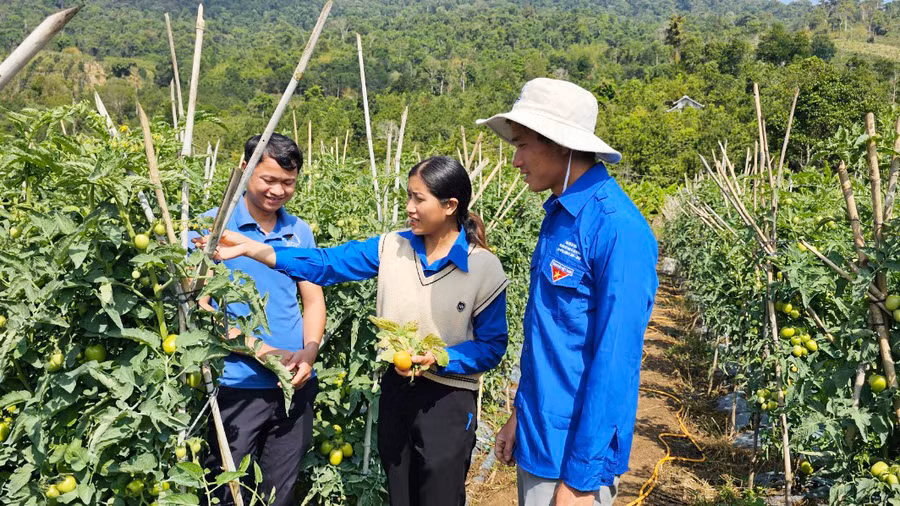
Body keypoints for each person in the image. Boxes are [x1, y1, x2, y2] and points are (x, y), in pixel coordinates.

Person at [194, 155, 509, 506]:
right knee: (400, 494)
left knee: (440, 496)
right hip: (398, 389)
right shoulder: (392, 248)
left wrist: (442, 356)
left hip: (449, 399)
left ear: (450, 205)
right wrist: (255, 249)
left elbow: (492, 346)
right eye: (408, 196)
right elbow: (326, 264)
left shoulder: (483, 268)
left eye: (419, 199)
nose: (409, 207)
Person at [476, 78, 658, 506]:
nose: (515, 160)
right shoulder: (558, 216)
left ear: (561, 144)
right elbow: (548, 337)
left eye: (522, 145)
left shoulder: (618, 229)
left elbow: (616, 362)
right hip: (538, 437)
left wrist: (579, 479)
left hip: (571, 454)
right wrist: (519, 413)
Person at [197, 133, 326, 506]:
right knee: (225, 491)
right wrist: (262, 350)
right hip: (237, 387)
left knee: (279, 493)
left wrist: (309, 354)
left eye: (288, 183)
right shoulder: (213, 229)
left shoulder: (298, 232)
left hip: (295, 385)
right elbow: (201, 307)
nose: (278, 191)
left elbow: (314, 302)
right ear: (244, 170)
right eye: (268, 180)